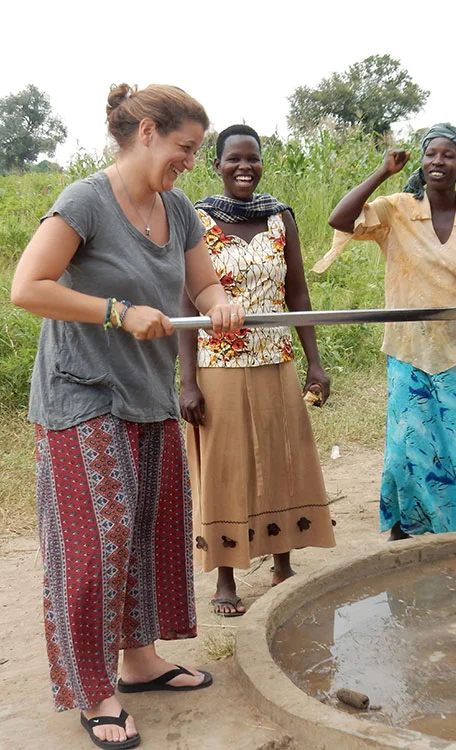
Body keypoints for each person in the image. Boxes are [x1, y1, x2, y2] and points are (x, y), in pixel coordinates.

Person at [11, 83, 245, 750]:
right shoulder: (86, 200)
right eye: (184, 147)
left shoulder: (177, 208)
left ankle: (139, 662)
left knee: (146, 531)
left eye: (195, 151)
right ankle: (93, 690)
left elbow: (201, 282)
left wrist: (220, 300)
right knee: (98, 545)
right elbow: (28, 287)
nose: (190, 162)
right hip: (82, 393)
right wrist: (117, 312)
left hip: (149, 391)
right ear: (145, 132)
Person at [323, 123, 456, 540]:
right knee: (413, 445)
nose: (437, 162)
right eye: (431, 154)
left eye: (448, 155)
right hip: (409, 351)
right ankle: (408, 529)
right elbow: (340, 218)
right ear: (421, 161)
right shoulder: (398, 209)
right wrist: (382, 173)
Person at [179, 124, 336, 615]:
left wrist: (315, 361)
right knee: (228, 468)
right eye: (233, 159)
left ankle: (282, 561)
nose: (244, 167)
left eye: (253, 158)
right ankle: (225, 577)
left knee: (279, 458)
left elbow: (299, 293)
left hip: (275, 359)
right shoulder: (197, 219)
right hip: (218, 365)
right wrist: (186, 381)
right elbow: (185, 300)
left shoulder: (279, 217)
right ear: (217, 165)